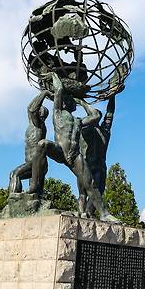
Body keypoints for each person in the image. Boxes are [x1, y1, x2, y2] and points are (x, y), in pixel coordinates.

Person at [37, 72, 109, 217]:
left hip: (74, 156)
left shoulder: (79, 121)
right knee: (43, 144)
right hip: (60, 151)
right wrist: (53, 75)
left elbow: (95, 116)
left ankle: (104, 214)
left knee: (90, 183)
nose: (73, 102)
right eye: (71, 100)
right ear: (65, 102)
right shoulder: (57, 113)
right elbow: (58, 90)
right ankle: (35, 188)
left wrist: (82, 102)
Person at [8, 91, 51, 195]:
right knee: (35, 193)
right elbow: (30, 109)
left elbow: (31, 109)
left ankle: (14, 198)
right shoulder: (33, 124)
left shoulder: (39, 124)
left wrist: (44, 93)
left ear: (40, 114)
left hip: (36, 163)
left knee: (14, 174)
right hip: (34, 163)